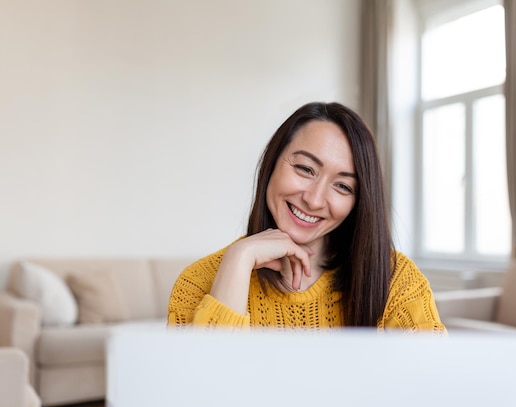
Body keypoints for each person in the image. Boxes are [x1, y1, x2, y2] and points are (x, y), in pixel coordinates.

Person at [167, 102, 445, 332]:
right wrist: (238, 260)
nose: (313, 200)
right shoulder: (198, 281)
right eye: (305, 169)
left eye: (343, 186)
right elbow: (201, 391)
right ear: (272, 163)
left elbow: (432, 388)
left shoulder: (394, 280)